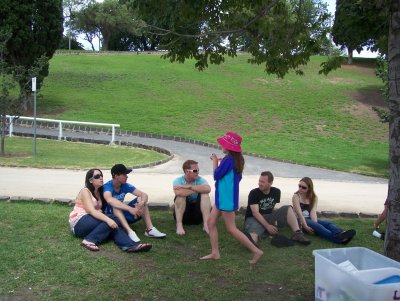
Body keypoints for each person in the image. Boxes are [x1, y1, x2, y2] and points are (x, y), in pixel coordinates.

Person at [200, 132, 263, 264]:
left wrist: (215, 161)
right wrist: (219, 161)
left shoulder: (228, 160)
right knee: (211, 223)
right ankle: (215, 253)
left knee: (231, 228)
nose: (221, 146)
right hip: (223, 197)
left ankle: (256, 251)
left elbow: (216, 175)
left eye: (223, 144)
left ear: (228, 147)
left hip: (226, 200)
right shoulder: (236, 160)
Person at [68, 168, 152, 252]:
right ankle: (89, 240)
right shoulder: (85, 191)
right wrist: (108, 220)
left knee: (114, 225)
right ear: (90, 180)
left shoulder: (100, 191)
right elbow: (91, 211)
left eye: (101, 175)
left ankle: (130, 246)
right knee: (112, 220)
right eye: (97, 176)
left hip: (91, 222)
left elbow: (104, 206)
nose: (101, 178)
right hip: (80, 223)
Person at [244, 171, 311, 246]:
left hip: (268, 216)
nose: (260, 183)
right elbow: (255, 213)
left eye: (263, 182)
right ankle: (253, 244)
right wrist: (268, 226)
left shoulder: (276, 192)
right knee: (254, 235)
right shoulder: (254, 193)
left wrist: (275, 220)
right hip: (253, 218)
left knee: (288, 208)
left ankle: (297, 233)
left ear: (270, 183)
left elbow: (271, 208)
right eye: (259, 181)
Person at [103, 164, 166, 243]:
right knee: (116, 205)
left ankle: (150, 230)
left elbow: (144, 195)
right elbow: (109, 200)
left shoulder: (124, 185)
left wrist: (141, 204)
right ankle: (130, 231)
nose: (127, 176)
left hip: (122, 216)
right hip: (110, 219)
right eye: (124, 174)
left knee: (140, 199)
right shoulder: (107, 186)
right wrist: (130, 209)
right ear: (116, 176)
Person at [292, 177, 356, 244]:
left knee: (328, 224)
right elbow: (299, 213)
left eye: (303, 187)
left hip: (309, 218)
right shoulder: (296, 196)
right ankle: (340, 240)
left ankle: (340, 233)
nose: (300, 189)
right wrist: (305, 226)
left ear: (309, 188)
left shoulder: (314, 197)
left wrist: (315, 224)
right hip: (299, 220)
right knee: (320, 227)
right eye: (299, 186)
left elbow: (313, 212)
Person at [173, 159, 212, 235]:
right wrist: (198, 189)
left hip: (198, 215)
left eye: (198, 170)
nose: (197, 172)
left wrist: (189, 186)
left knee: (205, 194)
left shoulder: (200, 179)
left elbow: (208, 189)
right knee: (181, 196)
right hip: (184, 216)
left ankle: (206, 224)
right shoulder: (178, 181)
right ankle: (179, 225)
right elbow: (179, 192)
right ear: (187, 171)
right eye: (195, 170)